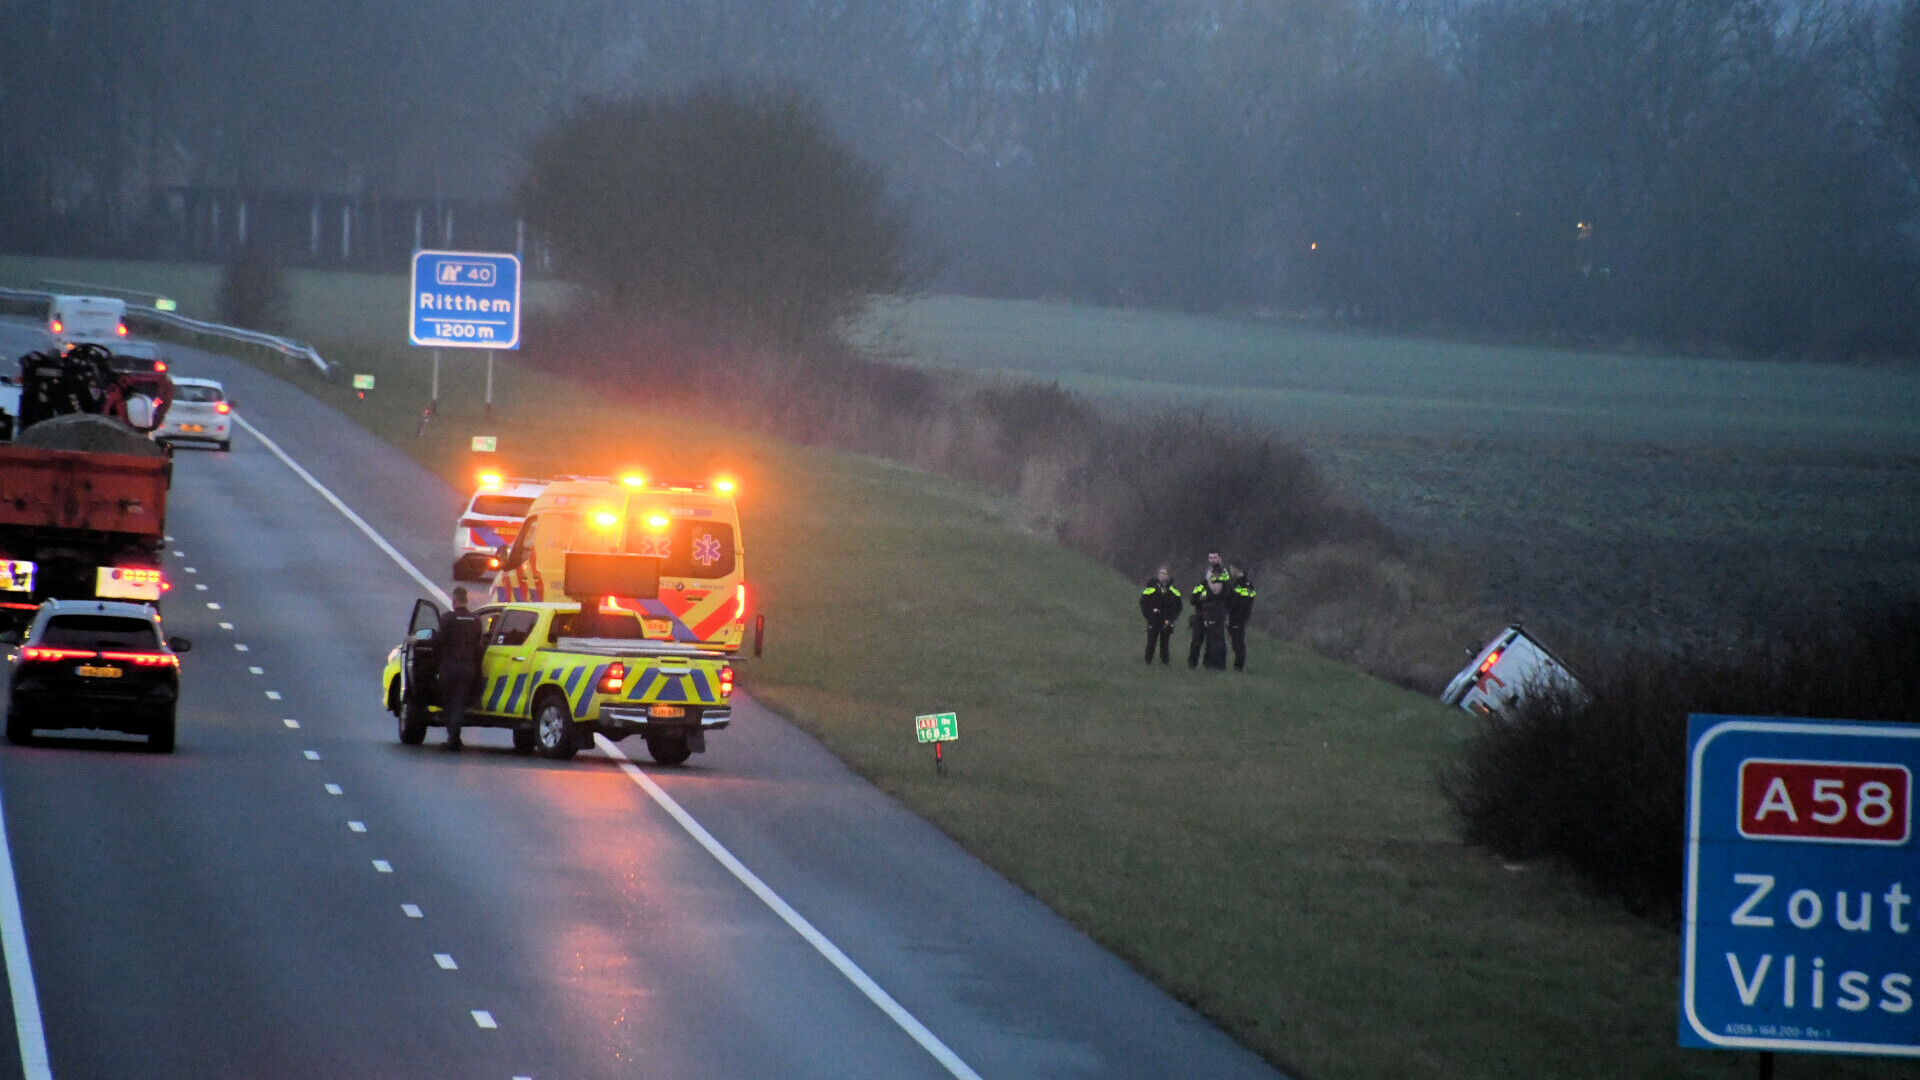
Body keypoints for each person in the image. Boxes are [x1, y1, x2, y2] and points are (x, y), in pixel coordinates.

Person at [435, 586, 485, 749]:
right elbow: (480, 644)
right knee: (460, 702)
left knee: (449, 703)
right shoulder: (476, 619)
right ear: (467, 600)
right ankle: (455, 738)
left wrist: (418, 641)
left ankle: (452, 738)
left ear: (453, 601)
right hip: (468, 668)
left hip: (450, 667)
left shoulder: (448, 618)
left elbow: (439, 641)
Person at [1187, 551, 1232, 667]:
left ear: (1219, 558)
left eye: (1215, 557)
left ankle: (1214, 666)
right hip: (1202, 612)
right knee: (1197, 640)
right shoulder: (1207, 573)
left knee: (1215, 640)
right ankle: (1192, 665)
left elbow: (1217, 592)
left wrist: (1208, 581)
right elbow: (1193, 598)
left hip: (1215, 611)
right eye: (1210, 558)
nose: (1212, 560)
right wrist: (1202, 597)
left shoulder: (1221, 572)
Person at [1139, 566, 1183, 665]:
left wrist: (1172, 618)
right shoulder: (1151, 586)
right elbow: (1143, 603)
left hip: (1166, 620)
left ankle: (1165, 662)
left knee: (1165, 643)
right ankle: (1148, 662)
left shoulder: (1173, 590)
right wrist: (1149, 614)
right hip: (1154, 619)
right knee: (1151, 642)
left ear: (1168, 576)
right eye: (1160, 573)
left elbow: (1179, 606)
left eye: (1164, 574)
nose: (1162, 575)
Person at [1191, 579, 1231, 670]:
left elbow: (1226, 602)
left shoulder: (1224, 586)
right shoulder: (1202, 585)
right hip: (1201, 617)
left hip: (1214, 618)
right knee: (1196, 642)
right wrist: (1200, 599)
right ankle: (1192, 664)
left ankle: (1210, 665)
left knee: (1213, 643)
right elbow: (1192, 600)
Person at [1227, 564, 1257, 671]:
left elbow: (1239, 602)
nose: (1230, 572)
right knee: (1236, 641)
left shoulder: (1243, 584)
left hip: (1238, 617)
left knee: (1238, 641)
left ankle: (1239, 666)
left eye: (1231, 570)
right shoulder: (1240, 583)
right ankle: (1238, 664)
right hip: (1237, 616)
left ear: (1235, 569)